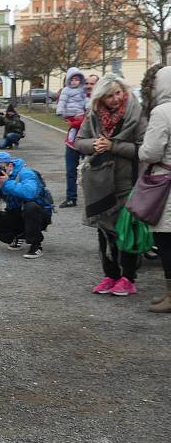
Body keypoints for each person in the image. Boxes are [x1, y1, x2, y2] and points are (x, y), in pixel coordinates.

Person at [75, 74, 145, 296]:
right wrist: (94, 144)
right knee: (104, 230)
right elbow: (78, 142)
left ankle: (128, 277)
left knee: (125, 230)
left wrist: (113, 146)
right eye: (109, 96)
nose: (115, 98)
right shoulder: (93, 114)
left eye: (118, 93)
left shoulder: (136, 112)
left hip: (127, 181)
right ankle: (110, 274)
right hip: (99, 181)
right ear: (100, 98)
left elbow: (142, 149)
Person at [0, 151, 53, 259]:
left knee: (31, 206)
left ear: (10, 166)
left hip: (39, 215)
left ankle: (36, 246)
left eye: (1, 167)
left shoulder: (26, 173)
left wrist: (6, 183)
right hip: (16, 214)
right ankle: (17, 236)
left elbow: (29, 193)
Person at [138, 65, 171, 312]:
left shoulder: (162, 112)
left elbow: (151, 151)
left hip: (165, 181)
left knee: (166, 238)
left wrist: (140, 151)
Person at [56, 68, 89, 208]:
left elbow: (89, 114)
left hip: (87, 139)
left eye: (78, 79)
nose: (89, 86)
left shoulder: (87, 96)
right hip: (73, 138)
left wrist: (78, 120)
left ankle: (92, 198)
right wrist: (63, 114)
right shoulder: (66, 91)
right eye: (73, 79)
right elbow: (62, 102)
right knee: (71, 169)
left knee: (88, 169)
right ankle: (71, 197)